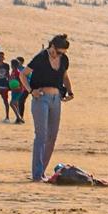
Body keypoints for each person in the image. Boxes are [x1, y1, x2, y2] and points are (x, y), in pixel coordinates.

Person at [26, 35, 73, 182]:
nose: (59, 55)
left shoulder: (64, 60)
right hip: (41, 98)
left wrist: (70, 91)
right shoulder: (40, 57)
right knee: (41, 136)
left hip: (56, 99)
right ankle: (36, 175)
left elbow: (65, 76)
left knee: (52, 137)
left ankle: (42, 172)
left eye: (63, 53)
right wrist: (30, 91)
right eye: (58, 52)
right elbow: (23, 74)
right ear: (51, 46)